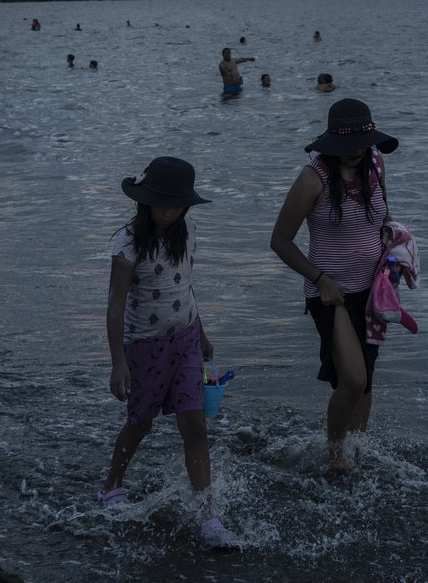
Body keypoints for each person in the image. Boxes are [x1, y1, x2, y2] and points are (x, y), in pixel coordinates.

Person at [98, 157, 240, 548]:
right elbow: (115, 304)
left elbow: (186, 286)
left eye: (176, 203)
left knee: (194, 424)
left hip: (187, 337)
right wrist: (118, 363)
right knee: (140, 420)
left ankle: (208, 516)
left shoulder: (188, 229)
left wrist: (203, 333)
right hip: (145, 345)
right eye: (161, 202)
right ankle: (112, 485)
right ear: (144, 200)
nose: (168, 210)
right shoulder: (127, 242)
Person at [270, 98, 399, 474]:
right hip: (331, 294)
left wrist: (395, 255)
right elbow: (280, 240)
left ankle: (356, 452)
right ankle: (335, 451)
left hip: (374, 289)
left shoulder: (375, 163)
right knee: (352, 379)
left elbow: (383, 218)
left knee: (366, 382)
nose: (357, 151)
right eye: (350, 145)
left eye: (363, 141)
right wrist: (321, 280)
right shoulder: (313, 178)